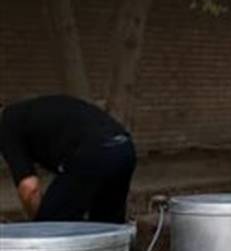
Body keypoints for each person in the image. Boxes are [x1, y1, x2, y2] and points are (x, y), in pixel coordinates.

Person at [0, 95, 137, 223]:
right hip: (124, 148)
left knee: (52, 226)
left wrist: (39, 226)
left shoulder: (6, 125)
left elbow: (29, 190)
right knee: (107, 229)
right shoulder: (32, 110)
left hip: (94, 153)